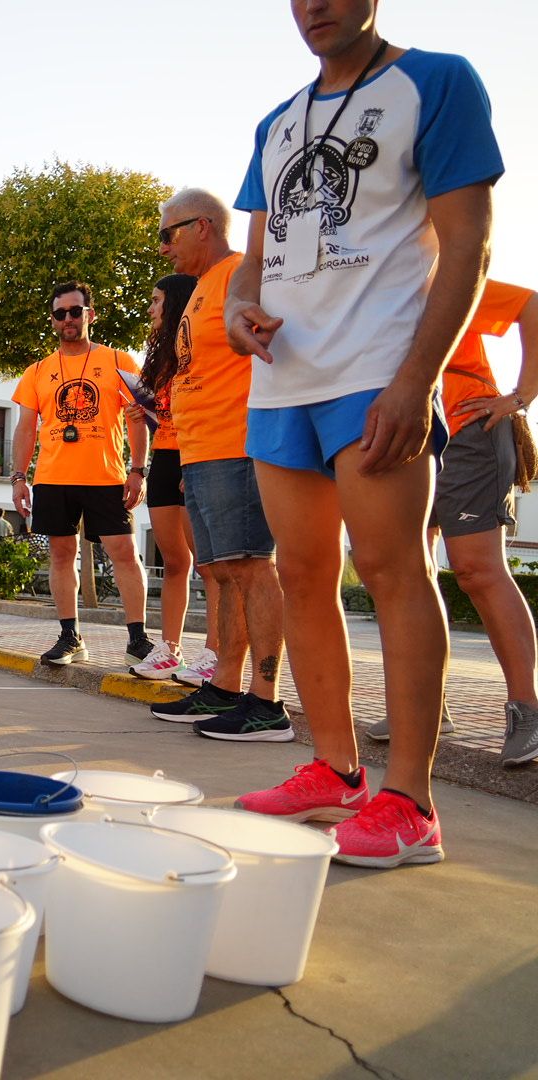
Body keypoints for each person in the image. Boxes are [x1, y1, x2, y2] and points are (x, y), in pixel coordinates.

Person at [225, 2, 502, 866]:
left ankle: (411, 801)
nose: (315, 6)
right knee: (302, 574)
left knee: (391, 571)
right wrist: (239, 310)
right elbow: (257, 255)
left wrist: (418, 380)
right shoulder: (276, 122)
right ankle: (333, 769)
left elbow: (470, 244)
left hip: (379, 370)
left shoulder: (437, 81)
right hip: (282, 387)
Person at [149, 191, 290, 733]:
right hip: (200, 450)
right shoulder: (203, 288)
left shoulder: (240, 275)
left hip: (237, 444)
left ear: (202, 226)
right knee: (224, 574)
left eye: (169, 234)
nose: (164, 247)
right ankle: (225, 687)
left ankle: (267, 700)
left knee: (253, 567)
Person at [393, 280, 536, 765]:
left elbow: (530, 306)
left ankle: (528, 711)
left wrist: (521, 395)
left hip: (469, 427)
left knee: (477, 570)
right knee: (408, 574)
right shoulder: (365, 276)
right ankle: (427, 708)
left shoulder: (439, 272)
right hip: (407, 433)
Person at [10, 281, 154, 669]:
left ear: (91, 314)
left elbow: (138, 418)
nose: (68, 319)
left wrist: (138, 469)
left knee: (124, 552)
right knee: (61, 554)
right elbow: (25, 428)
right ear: (53, 321)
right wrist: (19, 477)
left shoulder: (120, 361)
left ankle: (138, 640)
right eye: (60, 314)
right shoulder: (37, 372)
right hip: (53, 478)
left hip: (107, 476)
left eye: (76, 311)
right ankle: (70, 635)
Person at [128, 273, 209, 682]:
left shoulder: (199, 345)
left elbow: (204, 403)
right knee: (175, 560)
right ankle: (170, 649)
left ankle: (215, 653)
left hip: (195, 454)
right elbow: (161, 410)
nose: (150, 308)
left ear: (176, 303)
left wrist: (194, 459)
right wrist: (140, 411)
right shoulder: (157, 354)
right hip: (164, 454)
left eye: (157, 301)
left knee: (211, 563)